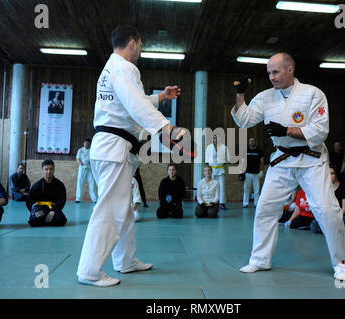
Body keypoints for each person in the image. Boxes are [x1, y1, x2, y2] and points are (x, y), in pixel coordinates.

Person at [77, 24, 184, 287]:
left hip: (113, 147)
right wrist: (166, 127)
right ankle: (90, 270)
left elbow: (130, 100)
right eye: (141, 44)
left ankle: (125, 260)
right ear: (133, 43)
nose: (141, 50)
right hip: (114, 147)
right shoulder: (125, 68)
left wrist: (160, 97)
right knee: (110, 209)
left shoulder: (112, 68)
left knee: (123, 209)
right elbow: (135, 105)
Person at [231, 52, 345, 281]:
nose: (272, 77)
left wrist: (286, 131)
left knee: (327, 211)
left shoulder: (313, 94)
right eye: (269, 73)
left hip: (311, 159)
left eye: (275, 72)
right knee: (265, 208)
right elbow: (244, 119)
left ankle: (343, 263)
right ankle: (260, 260)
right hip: (282, 160)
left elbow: (320, 131)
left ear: (290, 69)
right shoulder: (266, 97)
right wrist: (240, 94)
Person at [310, 166, 345, 235]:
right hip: (331, 216)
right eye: (327, 174)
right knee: (314, 225)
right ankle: (340, 230)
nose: (329, 176)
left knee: (332, 222)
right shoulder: (326, 189)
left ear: (336, 175)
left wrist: (330, 217)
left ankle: (335, 229)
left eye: (332, 173)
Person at [26, 160, 67, 227]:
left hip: (53, 209)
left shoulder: (59, 185)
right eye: (46, 169)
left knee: (61, 220)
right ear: (42, 170)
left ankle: (44, 220)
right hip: (40, 209)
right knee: (33, 221)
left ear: (54, 170)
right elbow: (29, 200)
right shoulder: (37, 185)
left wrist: (53, 211)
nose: (49, 172)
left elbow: (62, 200)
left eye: (51, 169)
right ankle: (45, 220)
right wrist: (33, 210)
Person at [205, 134, 230, 210]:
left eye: (217, 138)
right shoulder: (209, 148)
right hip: (211, 171)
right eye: (214, 138)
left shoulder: (224, 147)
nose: (215, 139)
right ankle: (210, 202)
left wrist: (220, 164)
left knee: (222, 187)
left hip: (220, 170)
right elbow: (207, 160)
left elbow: (227, 160)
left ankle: (222, 203)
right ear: (212, 139)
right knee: (210, 187)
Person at [242, 137, 265, 208]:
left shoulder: (259, 151)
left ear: (255, 142)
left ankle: (256, 203)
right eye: (250, 141)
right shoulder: (246, 151)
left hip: (256, 173)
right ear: (249, 143)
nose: (252, 142)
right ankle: (245, 203)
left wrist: (262, 171)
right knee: (246, 189)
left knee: (256, 190)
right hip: (247, 173)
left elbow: (262, 162)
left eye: (253, 141)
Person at [75, 138, 98, 203]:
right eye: (85, 143)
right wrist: (81, 163)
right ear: (83, 143)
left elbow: (94, 159)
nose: (86, 145)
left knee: (92, 184)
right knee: (80, 183)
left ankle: (94, 199)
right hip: (82, 168)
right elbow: (78, 158)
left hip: (90, 168)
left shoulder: (92, 150)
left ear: (90, 144)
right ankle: (78, 199)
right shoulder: (80, 150)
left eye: (88, 144)